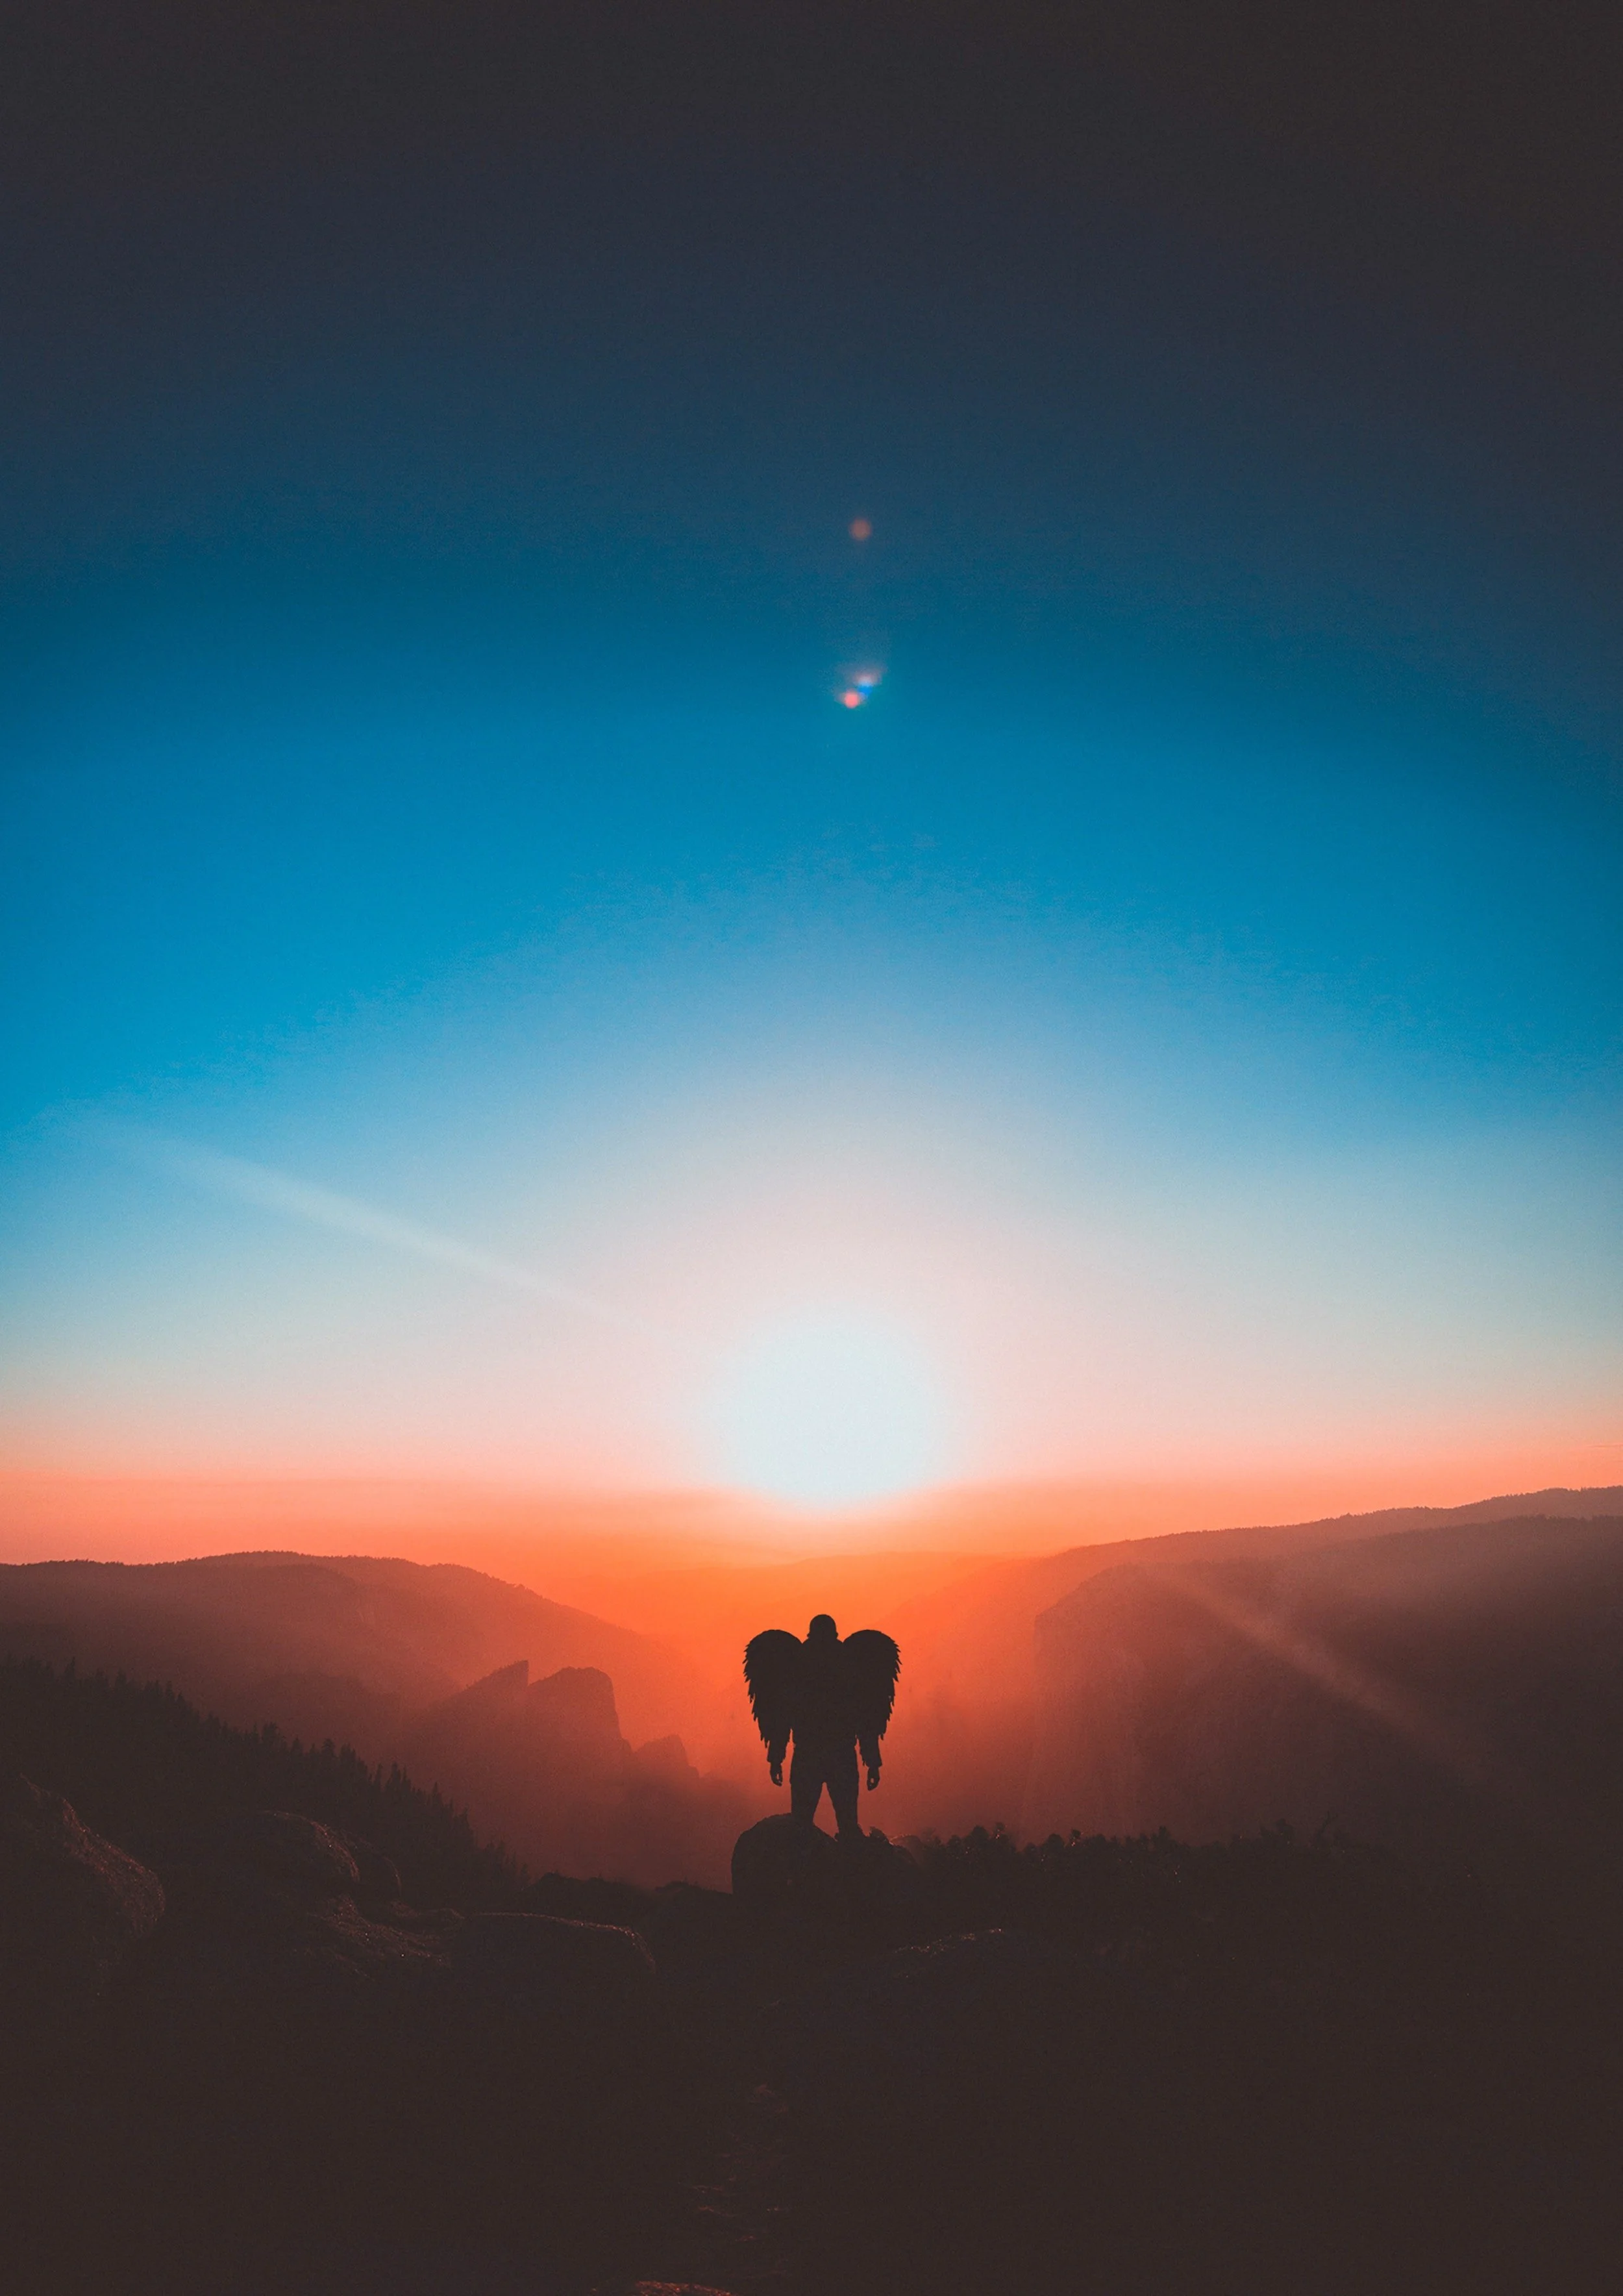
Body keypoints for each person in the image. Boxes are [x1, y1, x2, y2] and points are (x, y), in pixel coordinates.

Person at [743, 1613, 900, 1838]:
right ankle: (850, 1867)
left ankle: (804, 1869)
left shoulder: (796, 1664)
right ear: (835, 1634)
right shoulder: (849, 1664)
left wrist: (776, 1759)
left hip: (807, 1755)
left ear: (811, 1634)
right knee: (847, 1826)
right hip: (842, 1755)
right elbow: (865, 1718)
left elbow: (782, 1717)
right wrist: (873, 1763)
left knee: (801, 1826)